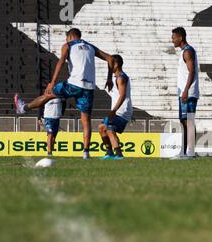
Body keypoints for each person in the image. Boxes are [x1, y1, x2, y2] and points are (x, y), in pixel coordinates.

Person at [14, 28, 114, 160]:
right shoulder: (91, 47)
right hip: (88, 87)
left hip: (73, 84)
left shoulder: (69, 45)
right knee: (86, 120)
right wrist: (109, 78)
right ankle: (86, 153)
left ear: (71, 36)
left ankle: (24, 108)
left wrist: (52, 82)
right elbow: (110, 58)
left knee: (49, 95)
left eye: (66, 38)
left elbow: (61, 61)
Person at [171, 27, 200, 159]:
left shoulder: (188, 51)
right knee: (184, 121)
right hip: (184, 92)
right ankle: (184, 152)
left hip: (188, 93)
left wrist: (186, 90)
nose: (172, 40)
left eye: (174, 37)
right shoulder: (184, 51)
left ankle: (190, 152)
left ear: (180, 38)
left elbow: (192, 71)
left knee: (189, 121)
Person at [98, 55, 133, 160]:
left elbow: (122, 96)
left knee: (109, 128)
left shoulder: (121, 78)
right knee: (101, 128)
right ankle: (109, 153)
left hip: (122, 110)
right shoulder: (116, 77)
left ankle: (119, 155)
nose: (109, 67)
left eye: (110, 65)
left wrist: (114, 110)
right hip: (118, 110)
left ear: (116, 64)